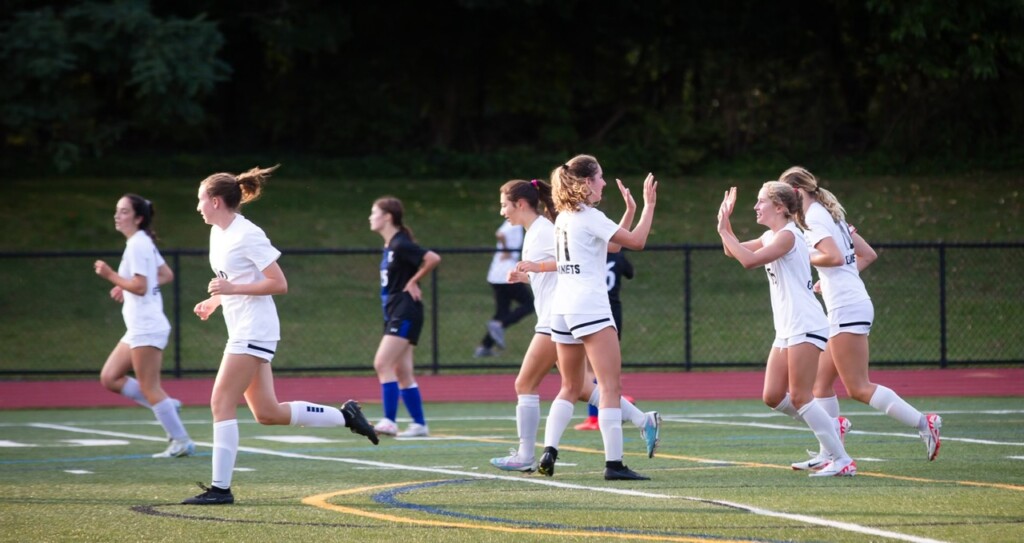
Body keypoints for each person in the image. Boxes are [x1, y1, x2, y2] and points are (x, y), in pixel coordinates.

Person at [183, 165, 378, 506]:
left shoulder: (248, 234)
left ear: (215, 201)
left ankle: (220, 489)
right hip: (244, 328)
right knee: (267, 413)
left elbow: (279, 283)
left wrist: (231, 288)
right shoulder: (219, 234)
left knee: (220, 402)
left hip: (253, 330)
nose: (197, 206)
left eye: (200, 200)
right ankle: (346, 416)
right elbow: (234, 279)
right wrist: (217, 299)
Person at [488, 179, 660, 473]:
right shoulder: (543, 228)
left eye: (504, 204)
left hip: (561, 314)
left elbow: (575, 261)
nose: (501, 211)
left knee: (530, 383)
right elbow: (573, 262)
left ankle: (527, 454)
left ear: (520, 204)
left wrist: (537, 268)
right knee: (580, 386)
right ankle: (642, 421)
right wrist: (529, 276)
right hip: (567, 313)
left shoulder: (547, 228)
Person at [780, 166, 941, 467]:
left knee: (858, 387)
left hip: (846, 308)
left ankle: (924, 423)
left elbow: (836, 257)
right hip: (846, 303)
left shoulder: (814, 217)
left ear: (798, 192)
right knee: (819, 385)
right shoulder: (831, 214)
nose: (784, 205)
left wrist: (804, 258)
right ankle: (830, 451)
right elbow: (866, 255)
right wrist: (828, 280)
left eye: (786, 197)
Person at [533, 155, 658, 481]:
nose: (604, 183)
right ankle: (614, 464)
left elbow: (612, 247)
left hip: (562, 309)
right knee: (610, 387)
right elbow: (637, 242)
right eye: (600, 177)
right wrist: (648, 205)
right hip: (590, 308)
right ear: (586, 182)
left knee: (570, 386)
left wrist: (629, 212)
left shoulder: (563, 217)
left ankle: (549, 451)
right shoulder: (589, 216)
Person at [717, 182, 855, 477]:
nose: (755, 207)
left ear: (780, 208)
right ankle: (830, 428)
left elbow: (748, 261)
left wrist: (724, 230)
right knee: (772, 395)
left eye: (760, 202)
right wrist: (724, 225)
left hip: (805, 324)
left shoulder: (790, 236)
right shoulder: (772, 235)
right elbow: (733, 252)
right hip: (787, 327)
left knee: (802, 396)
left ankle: (842, 459)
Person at [93, 194, 195, 458]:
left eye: (124, 211)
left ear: (138, 218)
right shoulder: (140, 242)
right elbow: (164, 275)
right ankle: (167, 405)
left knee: (151, 387)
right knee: (110, 377)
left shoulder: (138, 244)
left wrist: (111, 276)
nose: (118, 215)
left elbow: (141, 286)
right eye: (117, 210)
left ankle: (181, 440)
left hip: (147, 327)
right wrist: (124, 285)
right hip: (139, 327)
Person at [369, 196, 442, 438]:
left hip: (405, 311)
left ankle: (389, 420)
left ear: (388, 216)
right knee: (402, 371)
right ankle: (419, 424)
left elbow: (432, 258)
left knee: (382, 363)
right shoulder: (390, 246)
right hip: (393, 311)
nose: (370, 217)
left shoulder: (401, 243)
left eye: (374, 212)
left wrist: (413, 280)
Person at [576, 250, 634, 431]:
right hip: (614, 313)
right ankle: (615, 406)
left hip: (595, 310)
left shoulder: (591, 254)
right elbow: (630, 273)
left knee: (592, 369)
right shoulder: (618, 257)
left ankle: (598, 415)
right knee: (606, 369)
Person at [474, 220, 534, 357]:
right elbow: (499, 234)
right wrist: (506, 249)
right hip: (505, 275)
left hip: (496, 275)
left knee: (502, 312)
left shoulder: (514, 224)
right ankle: (500, 324)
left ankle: (484, 347)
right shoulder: (514, 224)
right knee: (529, 304)